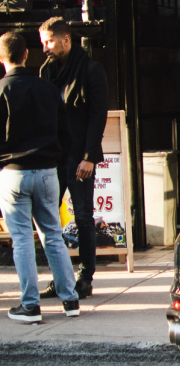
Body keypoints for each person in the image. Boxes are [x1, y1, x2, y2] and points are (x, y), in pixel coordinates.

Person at [0, 32, 78, 323]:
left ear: (2, 59)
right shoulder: (47, 89)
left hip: (14, 173)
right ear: (26, 56)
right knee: (53, 236)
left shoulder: (1, 90)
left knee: (21, 240)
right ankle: (70, 299)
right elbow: (65, 132)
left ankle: (30, 305)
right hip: (47, 171)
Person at [36, 17, 106, 299]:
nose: (45, 49)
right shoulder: (46, 71)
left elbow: (97, 116)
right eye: (42, 43)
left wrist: (89, 157)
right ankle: (60, 278)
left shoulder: (91, 70)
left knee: (83, 217)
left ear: (66, 39)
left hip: (79, 156)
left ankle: (85, 277)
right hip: (54, 156)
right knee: (49, 219)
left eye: (49, 41)